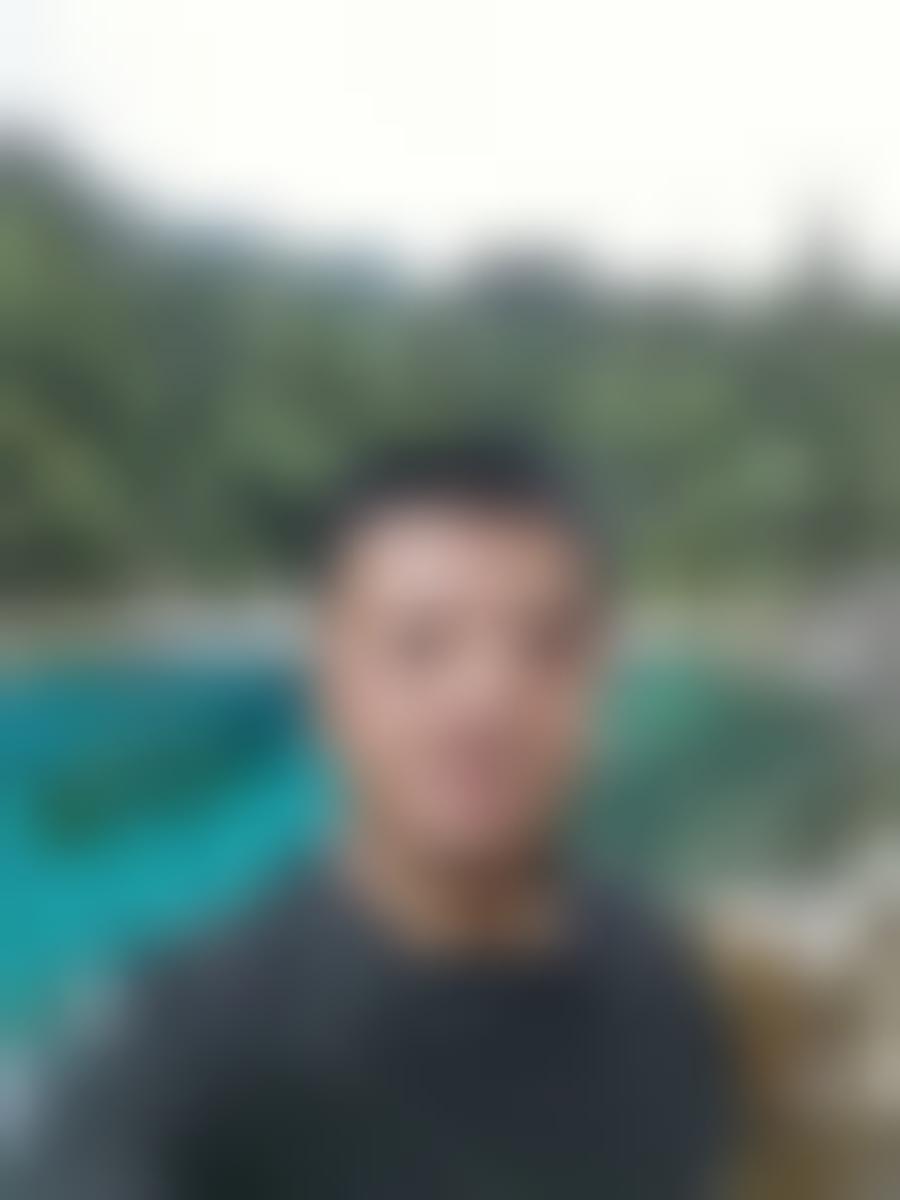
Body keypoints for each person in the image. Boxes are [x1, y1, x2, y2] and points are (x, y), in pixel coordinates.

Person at [36, 439, 732, 1199]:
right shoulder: (182, 1055)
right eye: (420, 645)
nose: (486, 698)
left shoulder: (654, 977)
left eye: (546, 647)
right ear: (328, 686)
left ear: (599, 685)